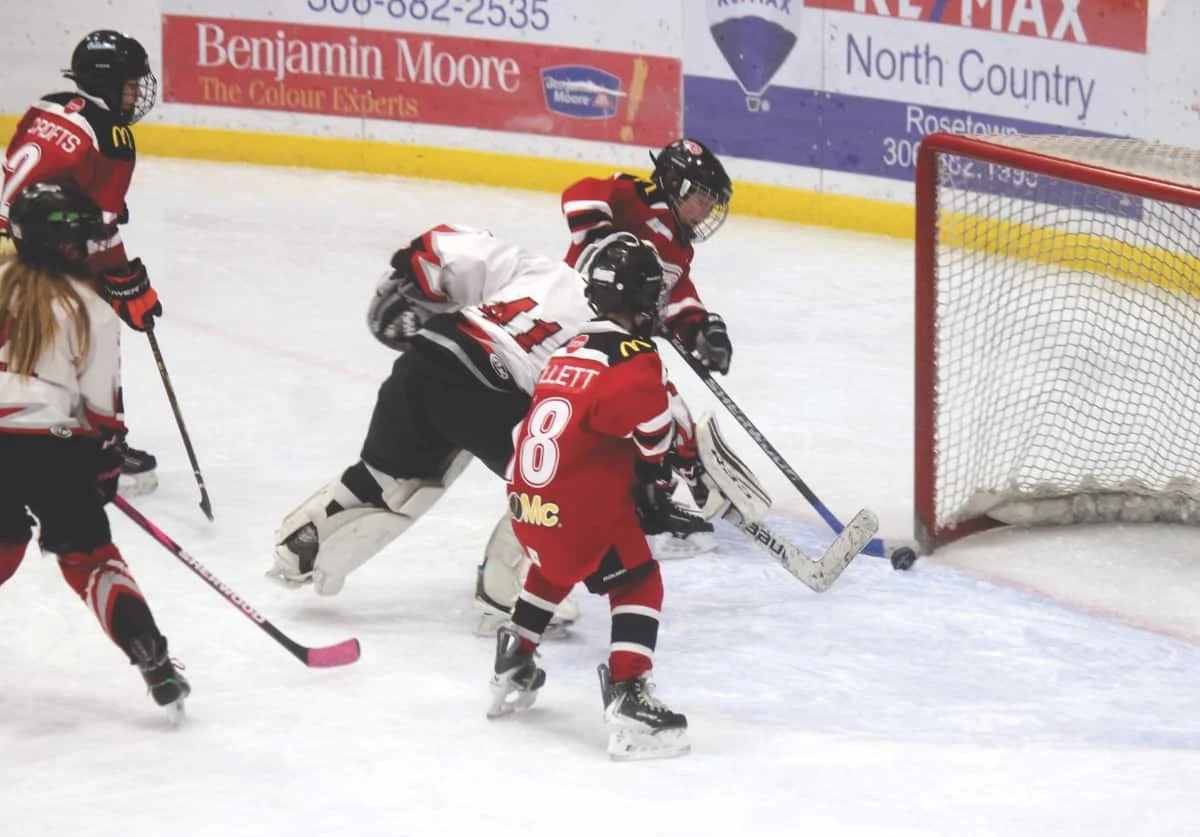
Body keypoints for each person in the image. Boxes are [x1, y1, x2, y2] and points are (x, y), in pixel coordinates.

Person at [487, 232, 704, 761]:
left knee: (557, 565)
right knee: (638, 578)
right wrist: (655, 479)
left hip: (525, 508)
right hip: (575, 515)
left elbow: (581, 428)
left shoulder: (568, 350)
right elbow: (652, 430)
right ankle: (630, 694)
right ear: (640, 301)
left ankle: (516, 650)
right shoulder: (635, 356)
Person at [0, 182, 188, 716]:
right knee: (91, 559)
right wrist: (104, 457)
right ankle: (147, 651)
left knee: (3, 543)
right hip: (54, 446)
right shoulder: (93, 309)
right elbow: (102, 410)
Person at [0, 29, 164, 496]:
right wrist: (125, 282)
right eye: (131, 84)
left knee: (14, 347)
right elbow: (99, 231)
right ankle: (100, 445)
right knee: (92, 335)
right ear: (109, 82)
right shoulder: (112, 138)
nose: (137, 93)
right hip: (38, 258)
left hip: (7, 239)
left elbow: (39, 180)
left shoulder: (48, 106)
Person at [561, 137, 734, 375]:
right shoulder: (640, 199)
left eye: (711, 206)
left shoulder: (680, 247)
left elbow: (674, 292)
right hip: (568, 313)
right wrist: (604, 242)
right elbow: (579, 194)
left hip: (612, 340)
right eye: (703, 201)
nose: (706, 214)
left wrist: (699, 328)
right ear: (676, 185)